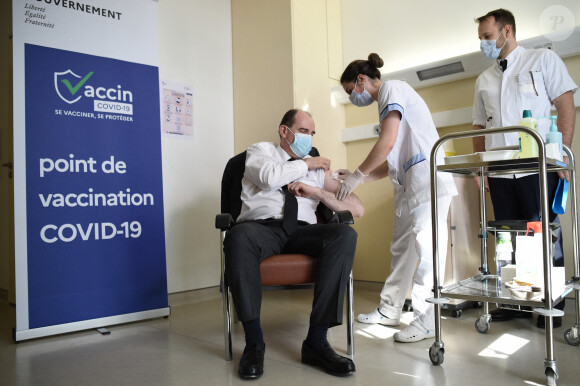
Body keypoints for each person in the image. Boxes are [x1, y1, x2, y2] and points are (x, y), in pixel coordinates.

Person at [224, 109, 364, 379]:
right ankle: (254, 343)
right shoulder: (260, 152)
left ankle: (316, 341)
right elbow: (269, 178)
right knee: (237, 235)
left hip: (303, 232)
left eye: (312, 133)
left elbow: (356, 209)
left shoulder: (317, 170)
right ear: (284, 131)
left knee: (345, 234)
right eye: (303, 131)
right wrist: (307, 165)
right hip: (261, 229)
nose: (309, 138)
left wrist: (318, 191)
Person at [336, 53, 458, 343]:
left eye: (349, 91)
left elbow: (387, 142)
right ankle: (390, 309)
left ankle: (426, 319)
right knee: (402, 247)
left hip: (427, 178)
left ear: (361, 80)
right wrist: (359, 177)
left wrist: (357, 174)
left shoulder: (392, 88)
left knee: (427, 249)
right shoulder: (385, 103)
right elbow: (390, 159)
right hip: (408, 182)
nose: (352, 97)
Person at [472, 9, 577, 328]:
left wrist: (559, 154)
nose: (484, 44)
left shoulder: (542, 60)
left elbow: (565, 104)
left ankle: (550, 304)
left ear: (507, 31)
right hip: (500, 172)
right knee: (506, 237)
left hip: (536, 167)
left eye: (487, 37)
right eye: (480, 39)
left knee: (540, 234)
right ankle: (517, 302)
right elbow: (479, 127)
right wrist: (482, 169)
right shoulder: (484, 78)